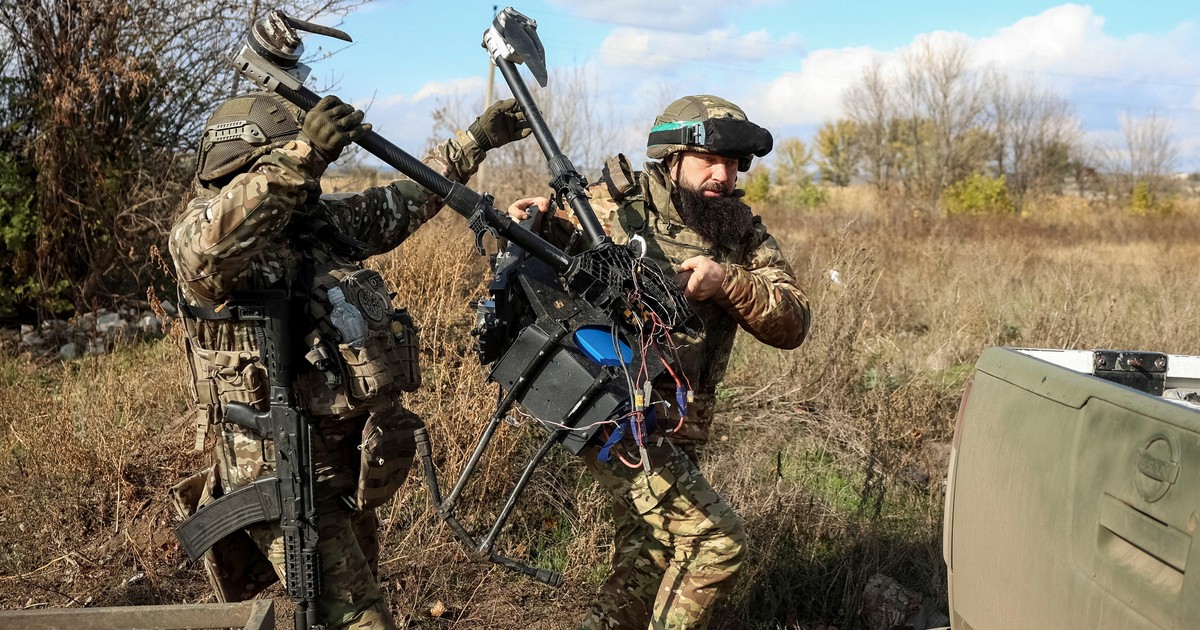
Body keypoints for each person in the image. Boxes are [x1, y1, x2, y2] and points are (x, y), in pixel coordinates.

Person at [167, 91, 530, 629]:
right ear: (250, 160)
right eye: (286, 153)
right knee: (361, 619)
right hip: (276, 475)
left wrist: (476, 139)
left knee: (349, 607)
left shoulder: (310, 225)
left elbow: (405, 198)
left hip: (341, 468)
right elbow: (204, 253)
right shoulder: (206, 234)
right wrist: (305, 152)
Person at [509, 95, 810, 629]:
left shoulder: (739, 233)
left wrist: (727, 282)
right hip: (616, 414)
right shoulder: (612, 209)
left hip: (683, 421)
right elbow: (542, 251)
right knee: (715, 542)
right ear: (671, 159)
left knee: (646, 554)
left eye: (736, 163)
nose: (724, 175)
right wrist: (538, 221)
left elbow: (793, 322)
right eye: (710, 160)